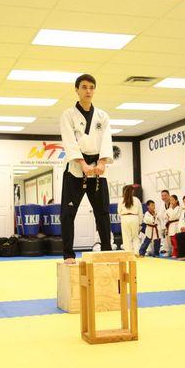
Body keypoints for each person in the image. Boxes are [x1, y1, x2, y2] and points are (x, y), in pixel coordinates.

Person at [60, 74, 113, 264]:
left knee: (103, 213)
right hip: (75, 170)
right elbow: (69, 141)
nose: (88, 91)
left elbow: (106, 141)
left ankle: (107, 251)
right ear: (77, 89)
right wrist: (82, 164)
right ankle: (68, 254)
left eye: (91, 87)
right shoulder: (68, 115)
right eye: (84, 87)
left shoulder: (102, 116)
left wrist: (102, 163)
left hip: (98, 169)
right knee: (67, 214)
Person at [118, 185, 142, 255]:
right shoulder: (136, 199)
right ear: (133, 191)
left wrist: (123, 217)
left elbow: (119, 211)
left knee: (126, 237)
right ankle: (136, 253)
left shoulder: (121, 200)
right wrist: (140, 223)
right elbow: (140, 212)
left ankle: (128, 253)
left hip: (125, 218)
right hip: (134, 218)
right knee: (135, 237)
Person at [157, 189, 172, 256]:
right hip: (165, 225)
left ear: (169, 196)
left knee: (172, 239)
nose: (164, 197)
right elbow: (160, 216)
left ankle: (174, 252)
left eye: (165, 195)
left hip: (172, 224)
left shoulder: (173, 203)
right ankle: (168, 251)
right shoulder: (162, 206)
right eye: (162, 196)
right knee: (166, 239)